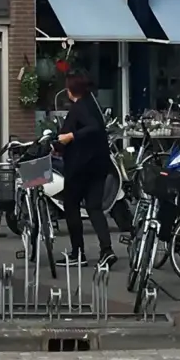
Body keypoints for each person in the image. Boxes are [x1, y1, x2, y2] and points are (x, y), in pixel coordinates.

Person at [52, 69, 116, 266]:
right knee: (94, 207)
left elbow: (92, 128)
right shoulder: (92, 103)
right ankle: (107, 250)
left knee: (71, 206)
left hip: (80, 167)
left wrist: (69, 137)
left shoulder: (79, 108)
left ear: (71, 90)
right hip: (99, 164)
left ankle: (77, 253)